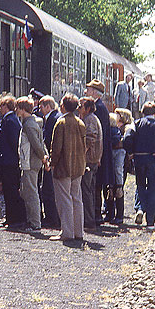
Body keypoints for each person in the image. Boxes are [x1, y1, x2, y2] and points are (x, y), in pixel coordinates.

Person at [49, 93, 86, 242]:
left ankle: (67, 232)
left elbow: (56, 147)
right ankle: (79, 232)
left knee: (64, 199)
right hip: (78, 167)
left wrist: (52, 163)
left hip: (63, 167)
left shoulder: (61, 123)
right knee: (77, 199)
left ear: (63, 106)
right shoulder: (80, 123)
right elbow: (84, 147)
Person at [125, 101, 155, 230]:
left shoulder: (136, 124)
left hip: (139, 158)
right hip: (153, 158)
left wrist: (131, 152)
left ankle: (140, 208)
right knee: (153, 188)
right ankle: (150, 221)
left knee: (140, 185)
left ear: (142, 112)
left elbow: (127, 138)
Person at [16, 96, 49, 232]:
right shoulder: (32, 122)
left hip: (30, 162)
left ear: (23, 110)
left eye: (18, 108)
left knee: (31, 193)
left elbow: (36, 144)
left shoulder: (28, 125)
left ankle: (35, 224)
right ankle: (33, 221)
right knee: (29, 191)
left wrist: (43, 158)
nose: (16, 110)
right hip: (31, 162)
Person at [0, 94, 26, 229]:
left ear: (5, 106)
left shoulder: (11, 121)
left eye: (1, 105)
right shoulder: (8, 120)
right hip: (6, 161)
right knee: (8, 191)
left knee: (12, 191)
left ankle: (16, 219)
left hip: (10, 162)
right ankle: (10, 218)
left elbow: (15, 142)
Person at [85, 80, 111, 226]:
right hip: (99, 153)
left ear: (95, 92)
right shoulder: (101, 107)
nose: (86, 91)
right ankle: (97, 214)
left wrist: (98, 156)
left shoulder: (98, 108)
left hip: (97, 154)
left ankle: (96, 214)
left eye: (88, 89)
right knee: (96, 184)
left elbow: (96, 136)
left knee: (95, 185)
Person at [79, 96, 103, 232]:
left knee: (86, 190)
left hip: (89, 160)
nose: (79, 109)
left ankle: (88, 221)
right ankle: (90, 219)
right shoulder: (92, 119)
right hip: (93, 159)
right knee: (90, 190)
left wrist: (81, 153)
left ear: (88, 108)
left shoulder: (90, 119)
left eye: (81, 106)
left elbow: (90, 138)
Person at [38, 95, 61, 229]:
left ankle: (52, 219)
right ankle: (52, 218)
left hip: (50, 160)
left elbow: (49, 140)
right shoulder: (55, 117)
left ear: (48, 106)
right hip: (52, 159)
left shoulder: (52, 119)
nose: (40, 109)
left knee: (49, 189)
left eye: (41, 106)